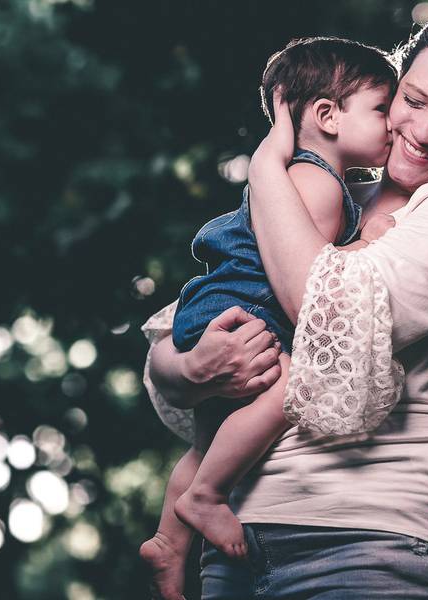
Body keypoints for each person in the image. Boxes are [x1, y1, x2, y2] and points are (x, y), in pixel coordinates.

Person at [143, 2, 428, 598]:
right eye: (412, 101)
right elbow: (194, 320)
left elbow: (324, 309)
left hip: (372, 543)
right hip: (236, 547)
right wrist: (191, 366)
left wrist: (266, 167)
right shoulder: (333, 193)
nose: (423, 133)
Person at [139, 37, 403, 600]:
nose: (393, 121)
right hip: (244, 313)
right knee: (292, 384)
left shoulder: (300, 177)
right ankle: (206, 497)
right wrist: (361, 247)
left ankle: (169, 542)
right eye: (382, 108)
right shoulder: (319, 183)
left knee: (212, 440)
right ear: (328, 116)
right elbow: (303, 275)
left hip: (209, 310)